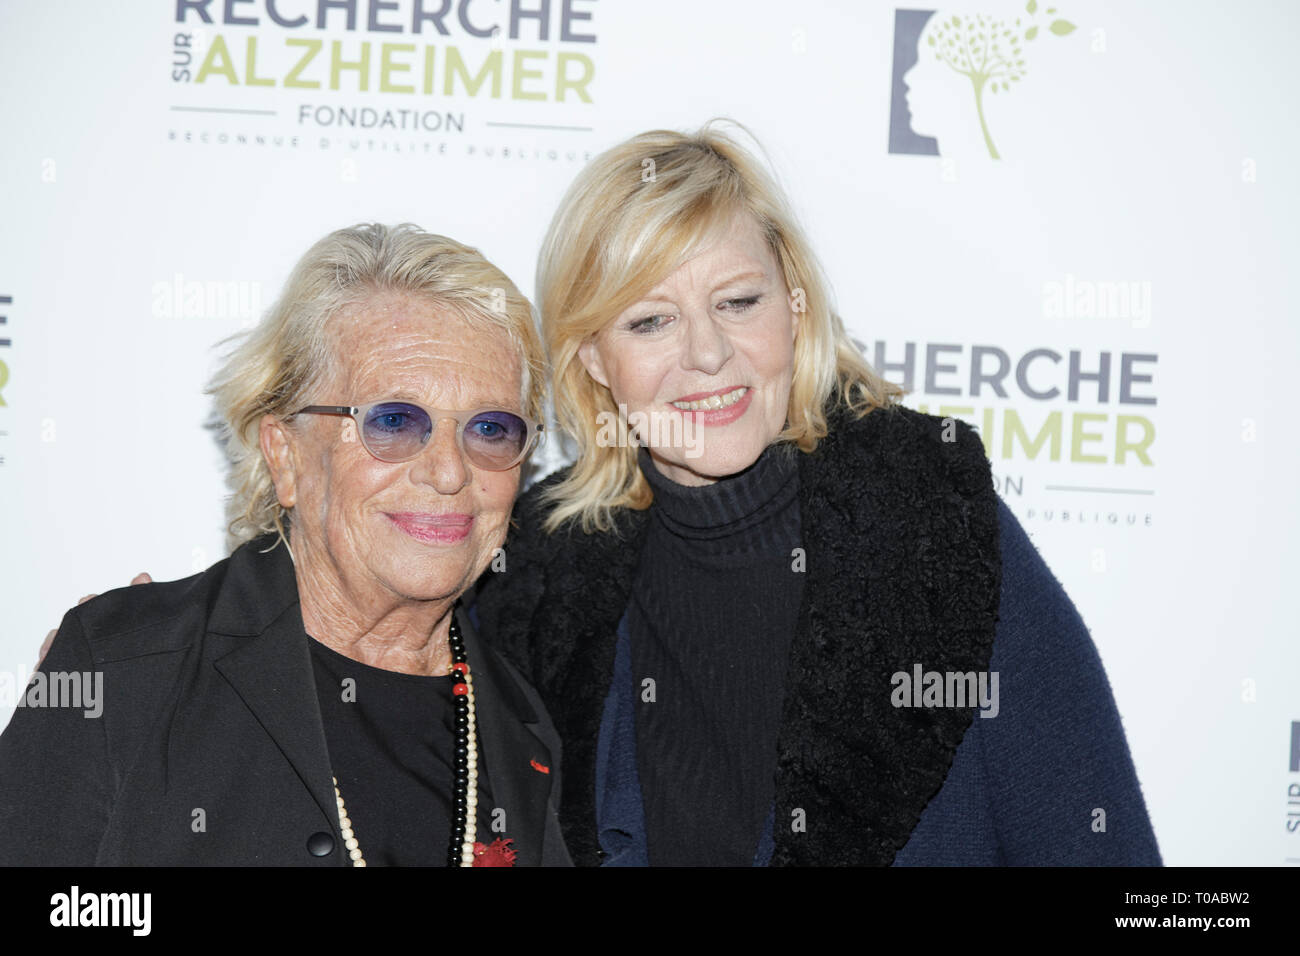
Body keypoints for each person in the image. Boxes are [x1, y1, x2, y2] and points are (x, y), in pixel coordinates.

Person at [473, 122, 1163, 866]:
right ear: (594, 360)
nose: (707, 353)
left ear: (795, 308)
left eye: (739, 301)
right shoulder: (537, 589)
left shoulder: (931, 521)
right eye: (650, 321)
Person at [0, 224, 571, 867]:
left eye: (491, 429)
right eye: (392, 421)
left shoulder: (525, 728)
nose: (448, 472)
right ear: (286, 455)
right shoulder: (123, 665)